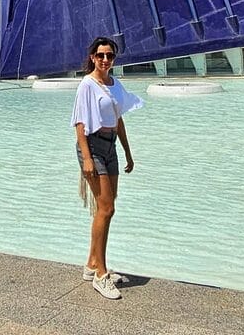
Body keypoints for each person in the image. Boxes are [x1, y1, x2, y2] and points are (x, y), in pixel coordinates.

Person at [71, 35, 143, 301]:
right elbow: (79, 124)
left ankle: (92, 264)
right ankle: (101, 275)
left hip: (110, 146)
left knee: (106, 209)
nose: (104, 60)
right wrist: (88, 159)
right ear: (92, 57)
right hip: (92, 147)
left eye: (109, 56)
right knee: (106, 208)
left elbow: (118, 119)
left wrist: (127, 151)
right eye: (100, 55)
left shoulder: (114, 84)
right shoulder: (87, 85)